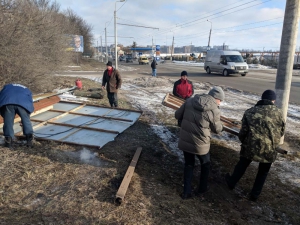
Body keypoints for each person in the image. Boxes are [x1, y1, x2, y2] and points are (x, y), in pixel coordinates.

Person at [225, 90, 285, 201]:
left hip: (250, 147)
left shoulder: (250, 112)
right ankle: (255, 195)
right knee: (263, 172)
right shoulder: (279, 113)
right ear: (273, 100)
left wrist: (244, 142)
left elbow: (243, 132)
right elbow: (281, 131)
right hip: (269, 150)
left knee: (242, 165)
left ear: (261, 99)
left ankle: (231, 182)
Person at [175, 86, 225, 199]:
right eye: (220, 100)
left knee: (189, 164)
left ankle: (186, 192)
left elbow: (177, 115)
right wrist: (222, 126)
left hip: (186, 140)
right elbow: (217, 129)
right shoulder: (214, 110)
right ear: (216, 98)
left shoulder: (190, 100)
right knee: (205, 164)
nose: (220, 103)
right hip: (201, 144)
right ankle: (202, 189)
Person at [0, 84, 34, 148]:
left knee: (8, 121)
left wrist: (3, 114)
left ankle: (8, 142)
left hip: (8, 102)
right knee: (26, 121)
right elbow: (30, 102)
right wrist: (26, 116)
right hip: (23, 104)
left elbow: (1, 97)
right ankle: (29, 141)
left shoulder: (6, 87)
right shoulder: (26, 89)